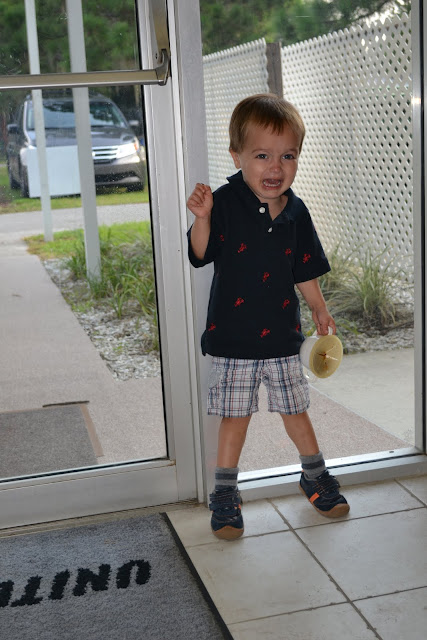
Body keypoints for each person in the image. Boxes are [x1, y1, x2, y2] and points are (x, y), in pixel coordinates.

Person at [187, 93, 349, 541]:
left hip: (282, 336)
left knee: (296, 409)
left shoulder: (296, 211)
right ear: (237, 155)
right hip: (234, 339)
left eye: (287, 156)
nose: (275, 167)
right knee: (234, 418)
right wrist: (202, 218)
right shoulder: (223, 203)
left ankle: (314, 476)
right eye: (262, 156)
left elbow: (304, 268)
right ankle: (225, 492)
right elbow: (200, 254)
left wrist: (318, 306)